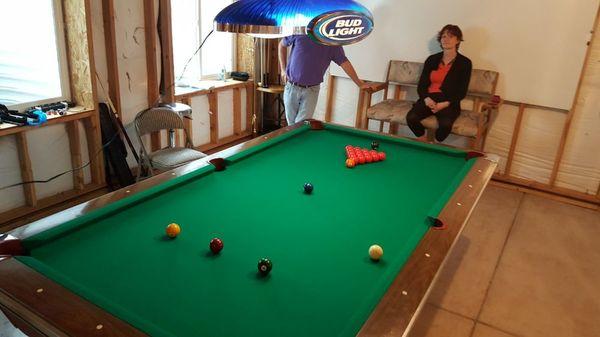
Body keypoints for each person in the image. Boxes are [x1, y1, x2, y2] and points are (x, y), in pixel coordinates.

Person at [278, 35, 372, 125]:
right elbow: (281, 45)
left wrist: (359, 83)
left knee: (300, 124)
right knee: (291, 124)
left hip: (311, 90)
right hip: (291, 87)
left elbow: (344, 63)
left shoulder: (332, 42)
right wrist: (282, 69)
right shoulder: (301, 32)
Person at [406, 24, 472, 142]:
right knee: (411, 118)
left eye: (450, 36)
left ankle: (435, 144)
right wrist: (426, 99)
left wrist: (445, 104)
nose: (446, 39)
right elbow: (422, 85)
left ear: (457, 40)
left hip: (448, 102)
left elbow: (462, 91)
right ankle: (423, 141)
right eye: (443, 36)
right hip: (429, 99)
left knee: (446, 125)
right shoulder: (431, 59)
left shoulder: (465, 63)